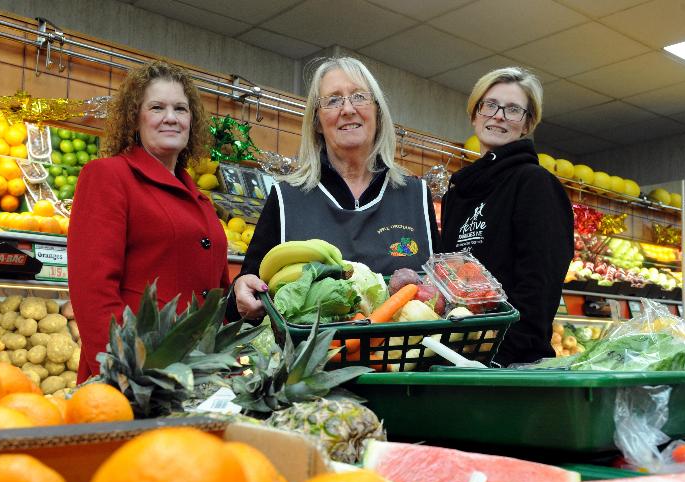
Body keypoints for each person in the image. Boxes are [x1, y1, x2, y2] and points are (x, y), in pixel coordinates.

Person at [233, 56, 439, 320]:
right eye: (333, 100)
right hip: (309, 359)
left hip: (402, 358)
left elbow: (438, 292)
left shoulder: (416, 196)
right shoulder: (287, 198)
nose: (348, 109)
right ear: (317, 121)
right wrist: (242, 289)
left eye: (359, 96)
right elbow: (246, 289)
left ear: (377, 110)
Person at [68, 60, 229, 382]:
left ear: (191, 121)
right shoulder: (108, 176)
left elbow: (215, 291)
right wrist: (118, 371)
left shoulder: (199, 198)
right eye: (157, 107)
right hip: (137, 373)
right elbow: (93, 292)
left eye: (180, 109)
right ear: (135, 118)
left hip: (196, 373)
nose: (171, 118)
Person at [439, 67, 573, 367]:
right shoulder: (458, 193)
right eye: (490, 105)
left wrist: (499, 356)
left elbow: (540, 285)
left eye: (513, 110)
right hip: (453, 355)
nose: (498, 116)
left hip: (510, 364)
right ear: (475, 114)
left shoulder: (535, 184)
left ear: (527, 124)